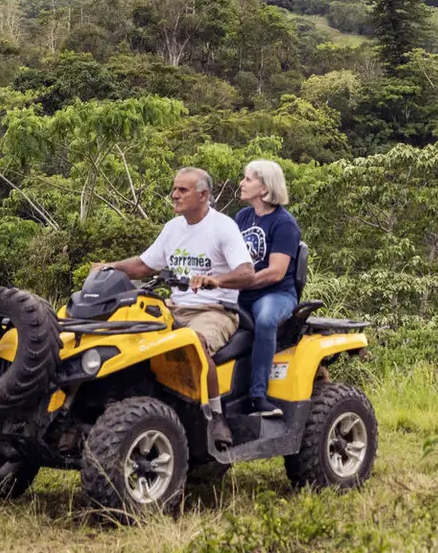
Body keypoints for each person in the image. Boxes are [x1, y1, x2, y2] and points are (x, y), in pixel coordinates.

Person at [96, 167, 254, 356]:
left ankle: (210, 387)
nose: (174, 195)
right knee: (128, 341)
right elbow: (143, 266)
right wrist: (108, 267)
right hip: (173, 308)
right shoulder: (172, 228)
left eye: (182, 190)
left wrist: (216, 280)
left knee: (192, 348)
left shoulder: (223, 226)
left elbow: (247, 273)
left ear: (203, 195)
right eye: (174, 189)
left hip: (213, 311)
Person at [231, 159, 301, 420]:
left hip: (275, 294)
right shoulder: (242, 217)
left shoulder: (284, 224)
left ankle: (258, 395)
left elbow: (276, 272)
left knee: (266, 319)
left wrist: (241, 282)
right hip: (243, 292)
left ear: (264, 187)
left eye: (247, 179)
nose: (242, 183)